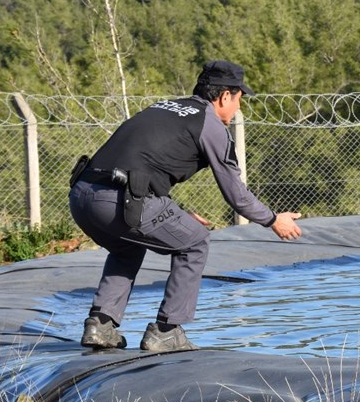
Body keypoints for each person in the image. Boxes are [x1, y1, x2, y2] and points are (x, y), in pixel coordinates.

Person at [68, 60, 302, 352]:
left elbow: (142, 163)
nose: (238, 109)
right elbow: (236, 195)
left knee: (127, 247)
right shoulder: (210, 125)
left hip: (81, 195)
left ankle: (100, 324)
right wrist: (272, 219)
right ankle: (167, 330)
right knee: (195, 243)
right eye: (239, 100)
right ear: (225, 96)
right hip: (120, 201)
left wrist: (169, 210)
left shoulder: (163, 107)